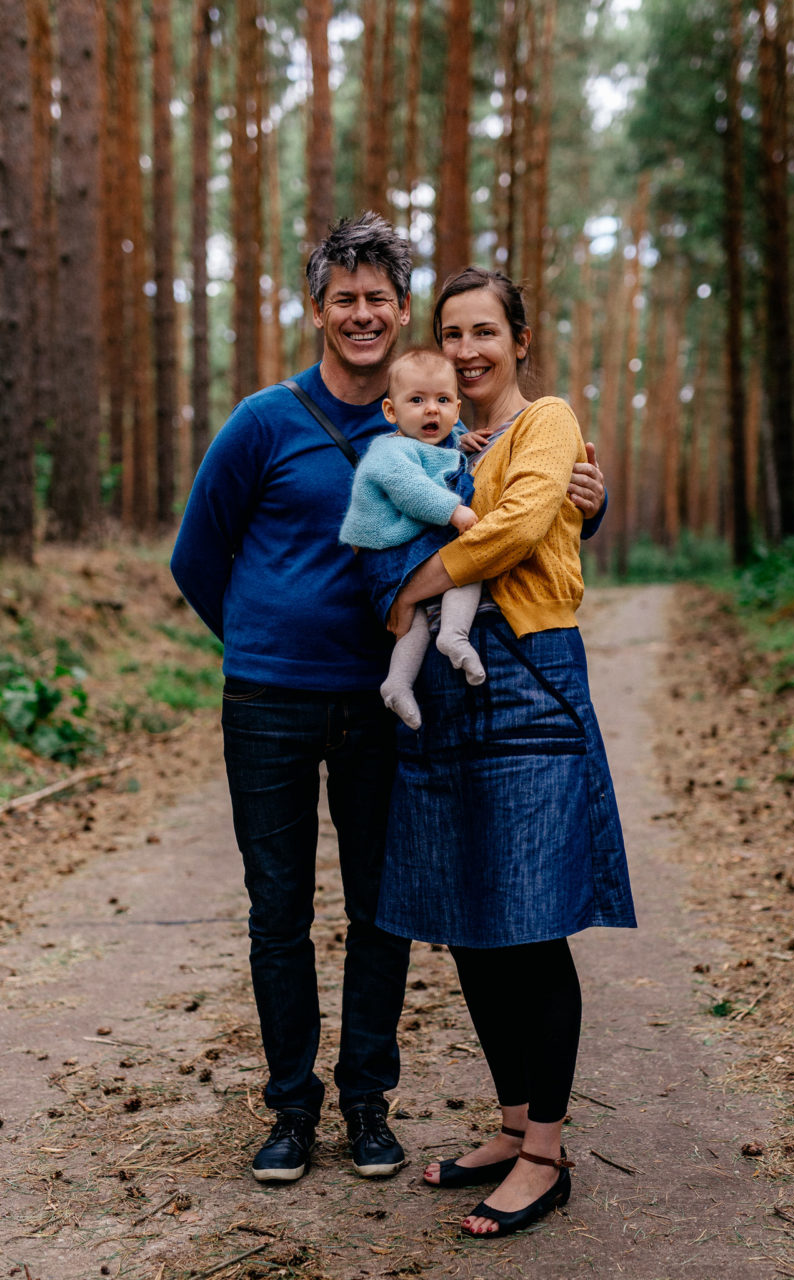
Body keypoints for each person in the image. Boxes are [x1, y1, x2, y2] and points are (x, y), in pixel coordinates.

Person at [170, 214, 607, 1190]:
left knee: (383, 908)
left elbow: (518, 503)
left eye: (378, 298)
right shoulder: (264, 421)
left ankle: (367, 1103)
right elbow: (196, 555)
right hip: (271, 700)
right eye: (344, 299)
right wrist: (257, 640)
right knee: (278, 909)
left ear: (401, 312)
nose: (361, 314)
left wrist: (592, 499)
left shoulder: (430, 418)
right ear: (317, 309)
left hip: (382, 703)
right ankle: (291, 1110)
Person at [374, 267, 636, 1238]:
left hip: (528, 681)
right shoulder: (446, 442)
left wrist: (416, 586)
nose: (468, 349)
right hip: (449, 694)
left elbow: (524, 526)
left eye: (485, 330)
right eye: (452, 333)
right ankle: (514, 1122)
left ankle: (546, 1155)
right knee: (472, 922)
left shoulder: (548, 421)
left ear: (518, 340)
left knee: (530, 922)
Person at [340, 347, 484, 731]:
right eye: (417, 400)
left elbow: (446, 452)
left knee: (418, 619)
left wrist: (463, 439)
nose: (431, 410)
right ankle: (451, 636)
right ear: (391, 411)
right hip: (387, 554)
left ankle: (401, 681)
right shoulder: (389, 451)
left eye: (443, 401)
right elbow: (412, 491)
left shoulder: (440, 443)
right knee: (468, 565)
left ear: (457, 408)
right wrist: (455, 512)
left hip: (405, 551)